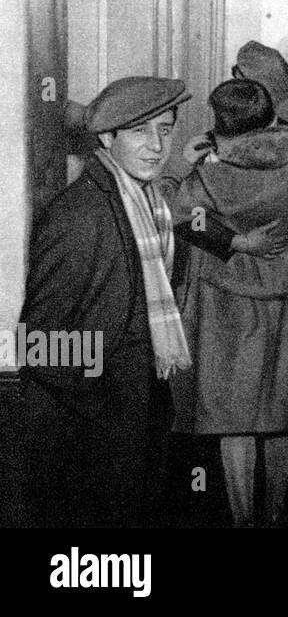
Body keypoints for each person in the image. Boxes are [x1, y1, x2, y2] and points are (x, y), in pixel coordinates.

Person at [10, 77, 192, 527]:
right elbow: (37, 340)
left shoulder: (149, 204)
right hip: (97, 420)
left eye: (165, 131)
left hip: (138, 403)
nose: (156, 146)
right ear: (108, 139)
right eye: (139, 132)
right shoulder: (81, 214)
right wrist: (104, 397)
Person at [169, 78, 288, 527]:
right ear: (272, 117)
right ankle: (274, 519)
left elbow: (170, 211)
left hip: (226, 305)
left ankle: (244, 522)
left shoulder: (208, 176)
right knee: (281, 415)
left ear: (219, 125)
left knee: (236, 419)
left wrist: (236, 239)